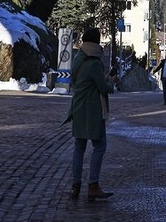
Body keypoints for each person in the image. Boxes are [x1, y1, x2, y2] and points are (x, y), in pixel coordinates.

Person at [64, 27, 115, 202]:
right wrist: (111, 82)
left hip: (77, 108)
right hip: (92, 110)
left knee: (79, 147)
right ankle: (93, 185)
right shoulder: (94, 62)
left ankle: (75, 185)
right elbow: (103, 88)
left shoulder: (78, 58)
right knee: (99, 146)